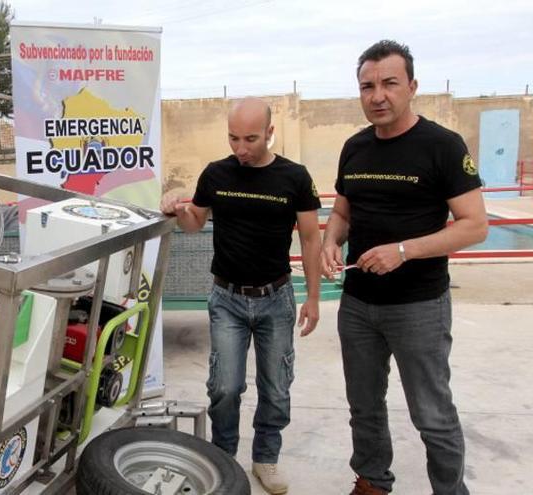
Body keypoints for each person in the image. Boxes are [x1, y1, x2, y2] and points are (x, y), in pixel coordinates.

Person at [321, 40, 488, 495]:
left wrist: (404, 250)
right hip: (357, 305)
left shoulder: (443, 146)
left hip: (418, 307)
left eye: (389, 83)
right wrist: (331, 241)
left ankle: (450, 491)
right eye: (368, 86)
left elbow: (475, 227)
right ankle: (372, 481)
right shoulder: (355, 147)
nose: (378, 95)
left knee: (432, 415)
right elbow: (341, 213)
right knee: (364, 406)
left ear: (412, 86)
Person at [161, 97, 322, 495]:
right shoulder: (216, 174)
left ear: (270, 132)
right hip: (227, 298)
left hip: (277, 299)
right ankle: (224, 458)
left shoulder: (295, 177)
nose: (241, 148)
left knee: (276, 387)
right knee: (225, 386)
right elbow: (195, 221)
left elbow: (311, 237)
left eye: (251, 138)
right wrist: (175, 210)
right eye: (233, 138)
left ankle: (266, 458)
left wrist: (314, 297)